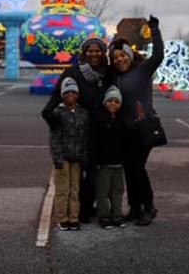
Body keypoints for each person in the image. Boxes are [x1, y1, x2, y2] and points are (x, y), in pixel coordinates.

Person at [41, 37, 110, 222]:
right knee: (77, 173)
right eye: (90, 50)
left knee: (95, 173)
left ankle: (87, 206)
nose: (94, 54)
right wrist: (51, 117)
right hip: (78, 131)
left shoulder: (108, 72)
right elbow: (57, 96)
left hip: (100, 132)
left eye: (98, 50)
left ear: (103, 53)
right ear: (84, 52)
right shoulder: (73, 72)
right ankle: (77, 209)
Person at [110, 15, 164, 226]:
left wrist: (155, 30)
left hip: (143, 127)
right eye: (115, 58)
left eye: (122, 56)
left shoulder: (142, 71)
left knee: (137, 168)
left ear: (130, 55)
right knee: (130, 168)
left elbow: (158, 55)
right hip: (125, 129)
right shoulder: (115, 77)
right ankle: (134, 208)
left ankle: (148, 207)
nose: (119, 60)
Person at [49, 77, 89, 231]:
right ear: (62, 95)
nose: (70, 95)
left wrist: (84, 156)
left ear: (78, 94)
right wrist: (57, 157)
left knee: (75, 189)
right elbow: (54, 138)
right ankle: (62, 217)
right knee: (62, 190)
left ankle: (73, 217)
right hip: (63, 158)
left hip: (77, 157)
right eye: (67, 92)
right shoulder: (57, 112)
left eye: (73, 92)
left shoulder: (83, 114)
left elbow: (85, 137)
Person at [91, 85, 127, 229]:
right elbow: (94, 142)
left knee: (118, 190)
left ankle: (117, 214)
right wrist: (95, 161)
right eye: (110, 101)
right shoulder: (99, 119)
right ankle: (104, 215)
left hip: (118, 163)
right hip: (104, 163)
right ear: (105, 102)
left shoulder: (121, 120)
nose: (113, 104)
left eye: (116, 102)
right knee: (102, 191)